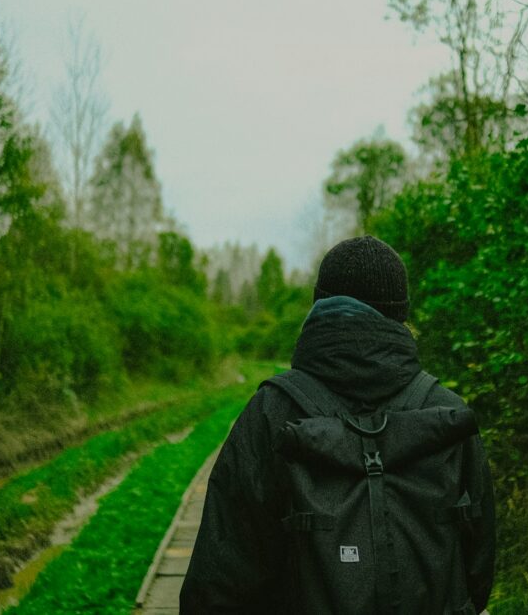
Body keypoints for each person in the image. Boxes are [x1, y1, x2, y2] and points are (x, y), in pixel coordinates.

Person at [179, 235, 495, 614]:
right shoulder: (447, 413)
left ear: (319, 305)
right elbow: (478, 570)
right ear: (401, 314)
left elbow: (220, 577)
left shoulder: (271, 411)